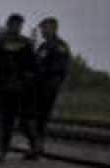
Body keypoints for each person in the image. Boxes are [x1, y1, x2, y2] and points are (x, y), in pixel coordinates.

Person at [0, 13, 39, 163]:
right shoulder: (27, 44)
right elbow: (34, 69)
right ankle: (3, 150)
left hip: (0, 88)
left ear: (8, 24)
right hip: (18, 89)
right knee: (9, 122)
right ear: (19, 25)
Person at [32, 17, 71, 156]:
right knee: (36, 118)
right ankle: (36, 146)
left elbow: (61, 69)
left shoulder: (60, 46)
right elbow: (35, 64)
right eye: (41, 28)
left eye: (44, 27)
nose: (42, 30)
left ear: (53, 28)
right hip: (38, 87)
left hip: (48, 87)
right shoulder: (43, 46)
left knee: (40, 118)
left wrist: (54, 85)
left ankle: (37, 147)